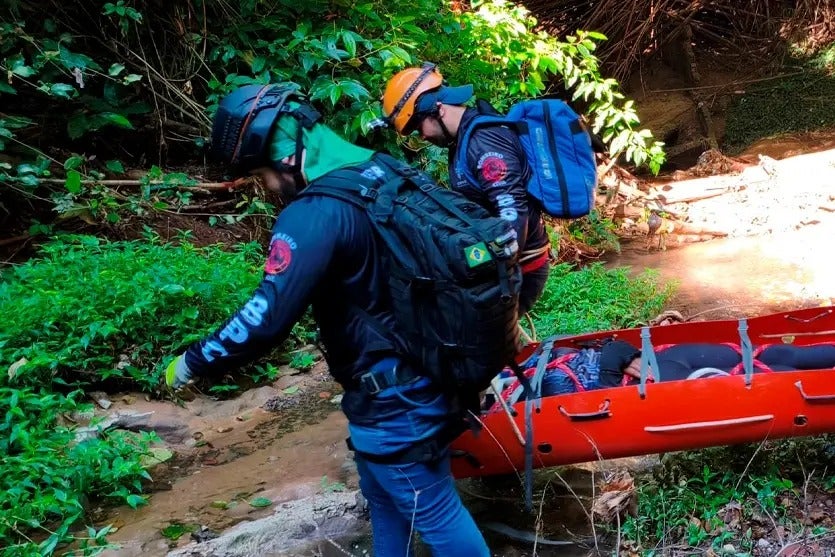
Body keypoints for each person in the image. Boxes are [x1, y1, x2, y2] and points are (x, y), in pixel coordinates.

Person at [165, 84, 491, 557]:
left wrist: (192, 363)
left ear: (286, 157)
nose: (267, 189)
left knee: (433, 509)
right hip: (429, 371)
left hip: (394, 396)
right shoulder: (384, 170)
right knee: (383, 496)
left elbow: (265, 318)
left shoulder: (314, 214)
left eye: (262, 175)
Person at [382, 63, 551, 316]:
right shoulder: (462, 141)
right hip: (504, 261)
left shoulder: (484, 142)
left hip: (521, 266)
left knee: (477, 347)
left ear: (437, 109)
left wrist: (470, 261)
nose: (423, 137)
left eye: (419, 128)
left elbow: (512, 215)